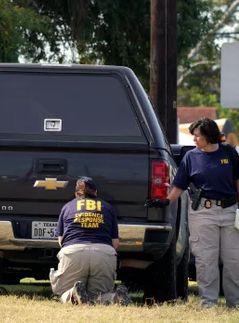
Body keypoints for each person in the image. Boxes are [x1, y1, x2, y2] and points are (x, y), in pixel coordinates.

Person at [146, 117, 239, 309]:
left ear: (209, 136)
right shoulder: (191, 157)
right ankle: (208, 304)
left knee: (234, 260)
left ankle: (235, 303)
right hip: (203, 213)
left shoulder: (229, 152)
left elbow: (238, 181)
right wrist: (165, 200)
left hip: (230, 211)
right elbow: (179, 185)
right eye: (193, 136)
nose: (194, 140)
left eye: (197, 136)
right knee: (206, 260)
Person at [50, 177, 129, 305]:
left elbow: (61, 241)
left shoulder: (67, 207)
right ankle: (116, 298)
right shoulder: (108, 207)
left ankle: (73, 293)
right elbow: (115, 243)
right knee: (98, 295)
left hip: (74, 251)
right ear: (95, 192)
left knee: (62, 292)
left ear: (77, 194)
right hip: (103, 253)